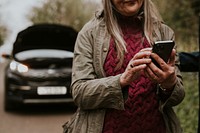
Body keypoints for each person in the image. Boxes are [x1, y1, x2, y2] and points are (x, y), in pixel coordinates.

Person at [63, 0, 185, 133]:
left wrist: (169, 83)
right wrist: (122, 80)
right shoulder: (89, 33)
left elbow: (177, 97)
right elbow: (80, 94)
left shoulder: (164, 33)